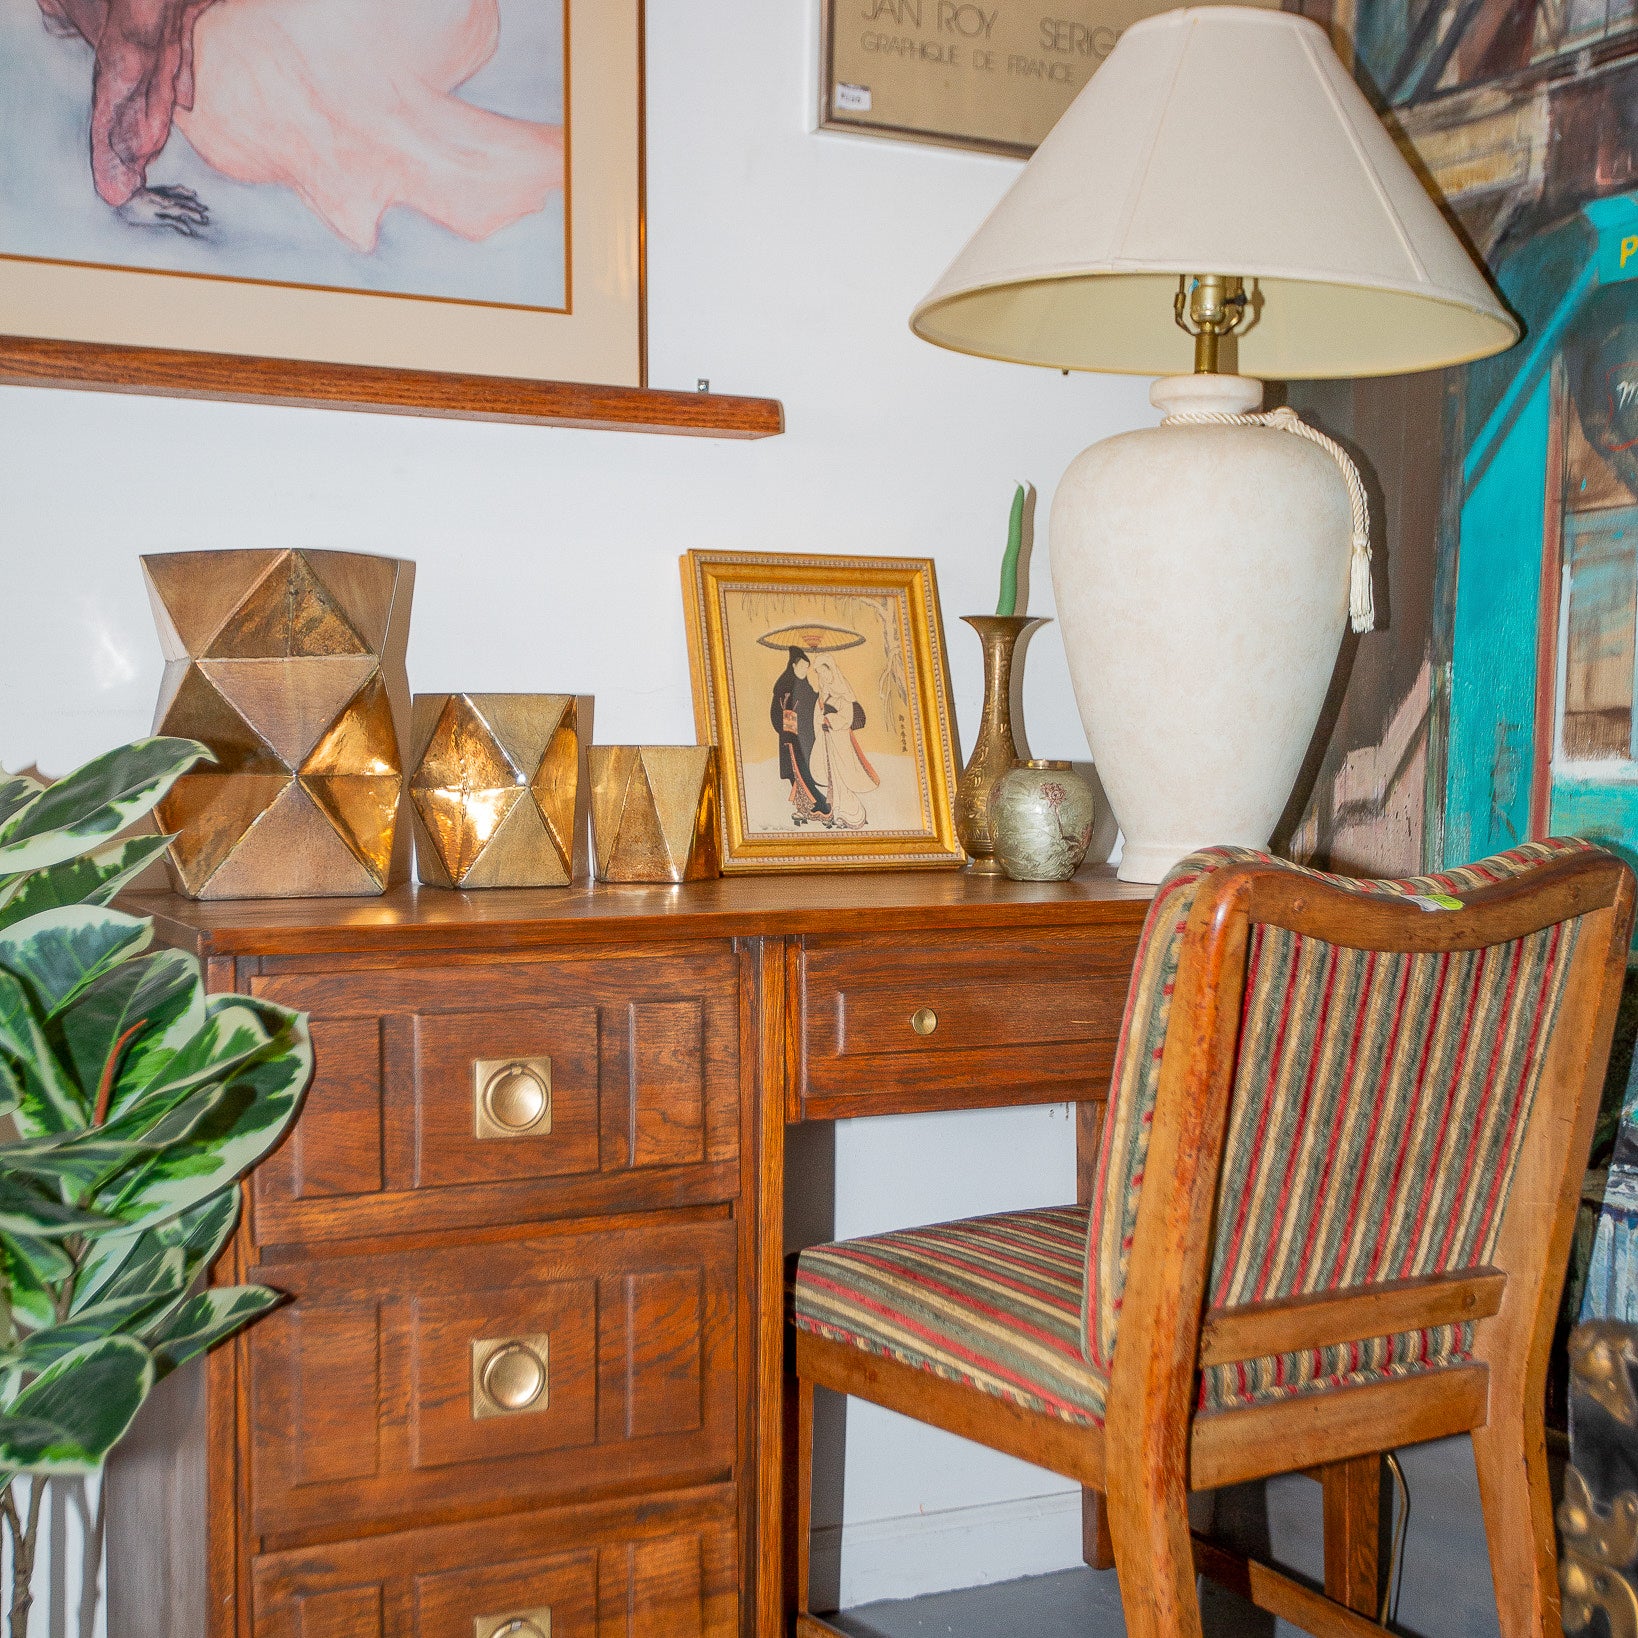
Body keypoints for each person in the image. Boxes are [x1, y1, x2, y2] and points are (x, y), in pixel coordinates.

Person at [810, 656, 880, 829]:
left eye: (824, 671)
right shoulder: (823, 693)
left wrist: (829, 718)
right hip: (828, 741)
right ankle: (836, 811)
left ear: (831, 669)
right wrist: (821, 716)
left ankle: (854, 815)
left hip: (840, 741)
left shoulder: (843, 692)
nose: (822, 677)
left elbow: (846, 718)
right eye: (819, 673)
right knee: (833, 777)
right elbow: (817, 715)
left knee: (843, 777)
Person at [770, 648, 829, 826]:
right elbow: (777, 712)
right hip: (791, 738)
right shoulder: (784, 686)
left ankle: (807, 807)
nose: (804, 671)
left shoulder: (803, 684)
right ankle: (816, 804)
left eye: (806, 668)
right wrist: (787, 731)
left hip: (804, 736)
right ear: (794, 665)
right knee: (797, 772)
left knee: (804, 772)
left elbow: (811, 701)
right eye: (802, 667)